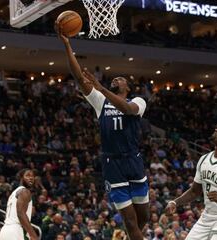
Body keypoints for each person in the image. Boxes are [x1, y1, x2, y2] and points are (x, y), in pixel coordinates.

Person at [56, 21, 149, 240]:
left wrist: (103, 88)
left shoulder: (138, 100)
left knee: (142, 218)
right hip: (112, 163)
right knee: (129, 220)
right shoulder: (101, 102)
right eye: (114, 78)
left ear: (128, 87)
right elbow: (79, 77)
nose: (116, 78)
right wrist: (67, 45)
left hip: (133, 161)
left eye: (121, 79)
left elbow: (126, 108)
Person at [0, 169, 38, 240]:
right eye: (28, 175)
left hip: (5, 230)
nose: (31, 178)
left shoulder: (14, 193)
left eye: (33, 176)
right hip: (16, 230)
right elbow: (20, 213)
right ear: (21, 178)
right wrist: (33, 235)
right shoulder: (25, 191)